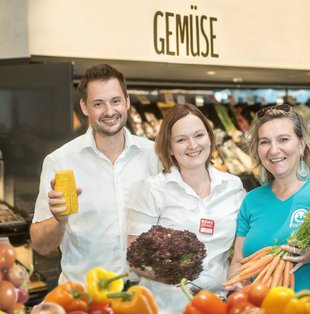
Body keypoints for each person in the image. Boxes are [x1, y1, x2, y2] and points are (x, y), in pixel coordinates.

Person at [30, 64, 160, 284]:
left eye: (115, 101)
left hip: (145, 296)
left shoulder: (155, 156)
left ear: (127, 101)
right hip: (85, 299)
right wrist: (59, 221)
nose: (109, 111)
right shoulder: (60, 162)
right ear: (84, 107)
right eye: (98, 104)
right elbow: (41, 246)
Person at [227, 104, 310, 310]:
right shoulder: (251, 200)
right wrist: (237, 282)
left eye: (283, 139)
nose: (273, 150)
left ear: (302, 144)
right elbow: (238, 261)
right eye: (264, 142)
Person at [127, 103, 246, 313]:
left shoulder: (233, 187)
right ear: (170, 147)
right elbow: (135, 257)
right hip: (164, 308)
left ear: (209, 137)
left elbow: (240, 250)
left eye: (199, 135)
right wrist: (177, 274)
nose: (193, 145)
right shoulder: (152, 189)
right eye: (181, 139)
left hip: (216, 305)